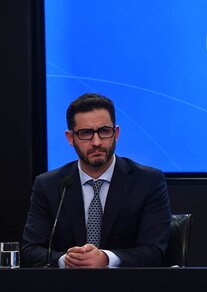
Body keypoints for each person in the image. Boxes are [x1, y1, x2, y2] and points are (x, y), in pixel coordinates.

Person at [22, 93, 171, 268]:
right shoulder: (48, 185)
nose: (96, 142)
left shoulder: (148, 181)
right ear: (70, 138)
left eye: (104, 131)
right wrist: (67, 261)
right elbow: (30, 250)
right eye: (85, 133)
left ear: (116, 133)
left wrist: (106, 259)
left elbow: (154, 251)